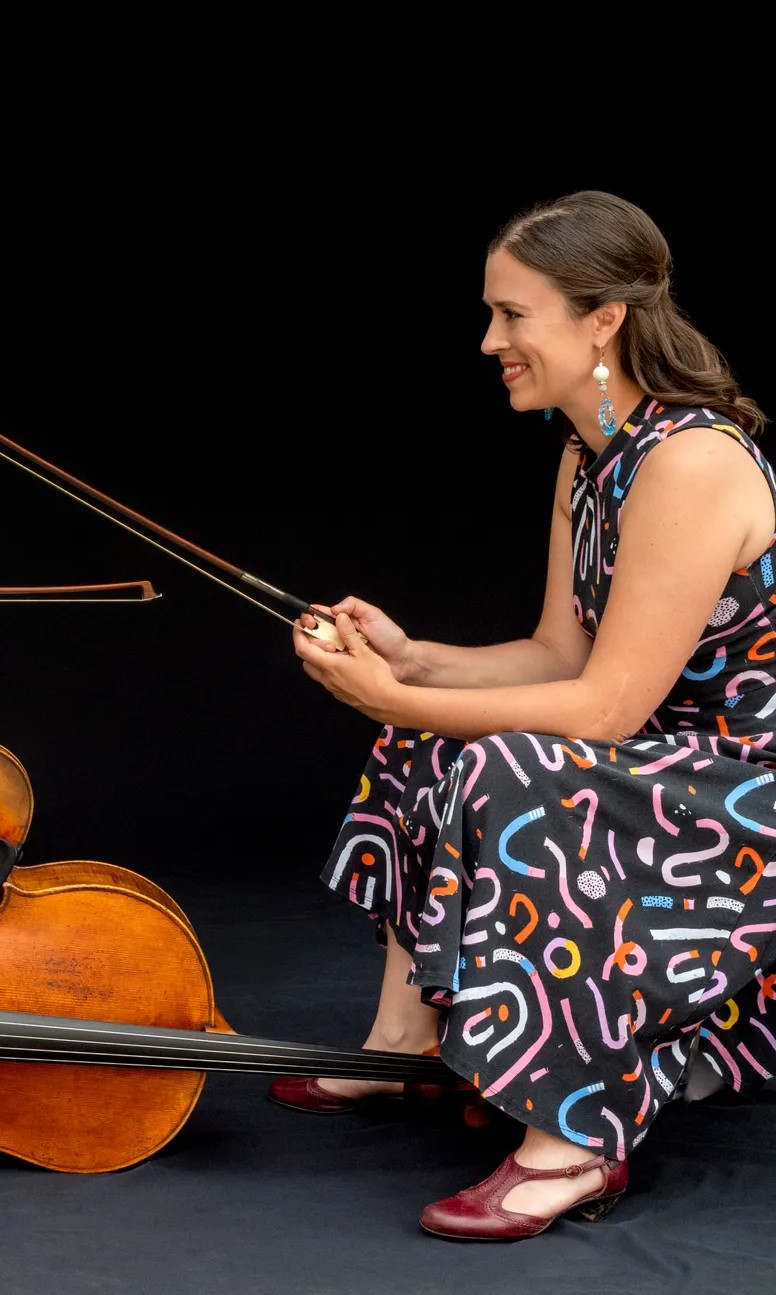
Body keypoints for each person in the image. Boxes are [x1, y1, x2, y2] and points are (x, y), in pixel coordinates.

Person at [275, 189, 774, 1241]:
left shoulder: (690, 459)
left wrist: (396, 691)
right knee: (429, 725)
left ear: (602, 319)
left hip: (741, 787)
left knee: (508, 762)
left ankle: (573, 1140)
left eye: (514, 314)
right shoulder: (588, 454)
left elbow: (607, 704)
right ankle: (403, 1046)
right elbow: (558, 652)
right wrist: (415, 664)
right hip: (657, 753)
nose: (490, 339)